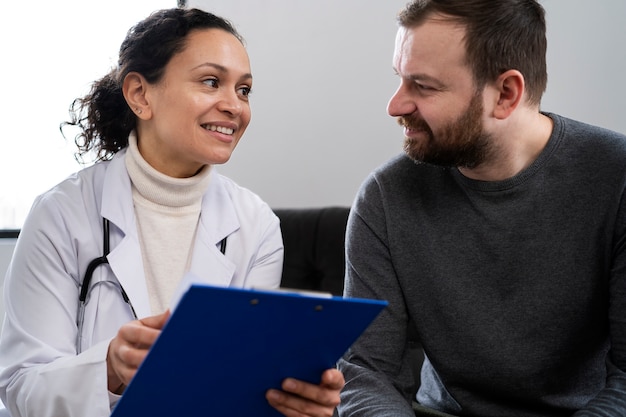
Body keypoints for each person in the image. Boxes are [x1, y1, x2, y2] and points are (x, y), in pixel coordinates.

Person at [0, 8, 343, 417]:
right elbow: (21, 385)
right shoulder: (61, 214)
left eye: (244, 90)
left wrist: (290, 400)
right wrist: (107, 369)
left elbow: (240, 385)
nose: (235, 106)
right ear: (140, 95)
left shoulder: (256, 226)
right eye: (211, 82)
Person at [337, 0, 626, 416]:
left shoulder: (616, 179)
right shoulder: (385, 196)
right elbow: (367, 371)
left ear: (506, 94)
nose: (395, 105)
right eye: (400, 79)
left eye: (424, 86)